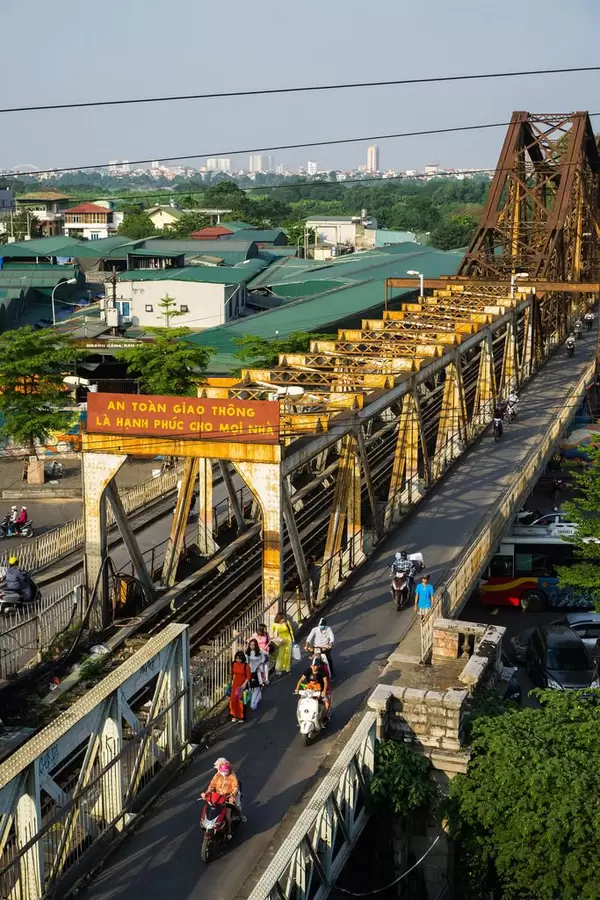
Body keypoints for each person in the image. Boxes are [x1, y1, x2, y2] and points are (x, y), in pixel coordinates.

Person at [202, 758, 244, 838]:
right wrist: (207, 792)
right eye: (222, 771)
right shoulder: (217, 775)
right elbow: (212, 784)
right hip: (217, 798)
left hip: (227, 798)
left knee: (227, 816)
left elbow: (235, 787)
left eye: (226, 772)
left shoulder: (232, 776)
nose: (224, 773)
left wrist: (232, 795)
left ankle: (229, 832)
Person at [246, 639, 268, 710]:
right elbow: (246, 663)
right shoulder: (247, 653)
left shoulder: (259, 653)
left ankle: (255, 701)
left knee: (257, 687)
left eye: (253, 645)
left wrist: (259, 665)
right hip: (251, 672)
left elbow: (264, 659)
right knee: (254, 688)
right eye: (250, 645)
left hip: (258, 672)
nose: (252, 646)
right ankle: (255, 700)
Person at [229, 651, 251, 723]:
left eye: (239, 659)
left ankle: (241, 716)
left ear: (242, 659)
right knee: (233, 700)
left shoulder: (246, 666)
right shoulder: (234, 664)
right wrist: (231, 682)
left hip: (242, 685)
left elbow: (248, 676)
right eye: (237, 658)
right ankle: (234, 715)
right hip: (235, 684)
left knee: (240, 701)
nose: (238, 660)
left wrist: (244, 684)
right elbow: (231, 673)